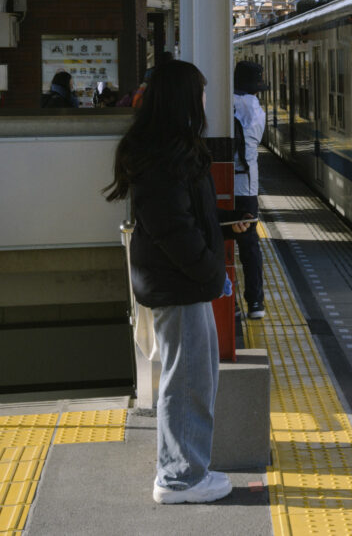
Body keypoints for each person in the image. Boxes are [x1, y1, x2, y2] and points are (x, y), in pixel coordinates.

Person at [103, 59, 254, 505]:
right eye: (201, 94)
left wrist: (226, 224)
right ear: (183, 99)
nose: (205, 103)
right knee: (187, 381)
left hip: (180, 281)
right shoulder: (165, 156)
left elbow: (183, 219)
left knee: (191, 378)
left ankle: (186, 468)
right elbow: (174, 230)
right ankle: (180, 478)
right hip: (181, 283)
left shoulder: (165, 149)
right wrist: (212, 273)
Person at [232, 60, 268, 319]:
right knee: (249, 244)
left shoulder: (223, 102)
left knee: (217, 243)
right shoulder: (256, 109)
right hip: (247, 185)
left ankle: (228, 301)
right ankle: (255, 302)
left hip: (220, 182)